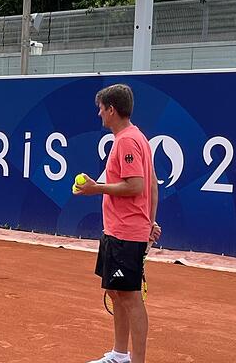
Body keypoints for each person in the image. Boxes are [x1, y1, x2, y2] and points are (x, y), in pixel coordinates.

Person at [74, 84, 162, 363]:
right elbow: (152, 186)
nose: (99, 114)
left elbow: (136, 185)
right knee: (115, 292)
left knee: (131, 298)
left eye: (101, 108)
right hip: (118, 230)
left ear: (112, 110)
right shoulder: (138, 138)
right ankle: (119, 355)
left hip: (125, 231)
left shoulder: (126, 141)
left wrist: (95, 188)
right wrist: (150, 220)